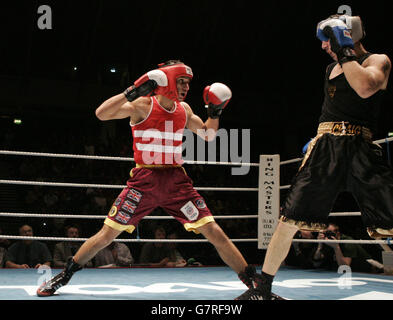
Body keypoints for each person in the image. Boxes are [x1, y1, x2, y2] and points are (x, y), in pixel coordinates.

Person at [37, 60, 264, 297]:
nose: (186, 87)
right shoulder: (142, 105)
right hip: (144, 182)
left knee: (215, 232)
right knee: (106, 235)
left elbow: (208, 134)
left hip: (176, 182)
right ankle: (63, 276)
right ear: (166, 81)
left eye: (188, 83)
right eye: (181, 81)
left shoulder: (184, 110)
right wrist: (132, 91)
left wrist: (214, 112)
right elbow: (101, 113)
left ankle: (254, 285)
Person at [237, 14, 392, 299]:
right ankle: (263, 288)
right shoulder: (331, 68)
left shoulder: (377, 60)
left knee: (390, 216)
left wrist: (345, 48)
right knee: (290, 218)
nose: (323, 47)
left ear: (345, 37)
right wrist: (319, 138)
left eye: (327, 40)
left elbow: (365, 87)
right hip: (326, 149)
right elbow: (331, 108)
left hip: (361, 148)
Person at [312, 223, 383, 273]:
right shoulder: (326, 241)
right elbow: (316, 264)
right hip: (347, 272)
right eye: (327, 233)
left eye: (331, 232)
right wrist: (320, 245)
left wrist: (336, 247)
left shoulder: (347, 241)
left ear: (338, 233)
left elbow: (344, 269)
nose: (329, 235)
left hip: (366, 269)